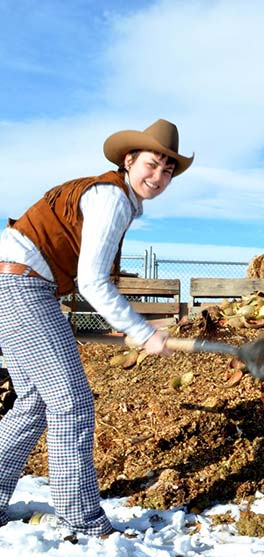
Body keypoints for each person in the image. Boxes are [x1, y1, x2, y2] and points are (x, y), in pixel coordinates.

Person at [0, 119, 194, 535]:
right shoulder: (112, 197)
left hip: (12, 282)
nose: (157, 177)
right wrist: (143, 332)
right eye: (151, 164)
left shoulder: (109, 193)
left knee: (33, 402)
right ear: (129, 160)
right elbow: (92, 281)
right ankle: (82, 521)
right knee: (72, 403)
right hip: (21, 285)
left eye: (167, 171)